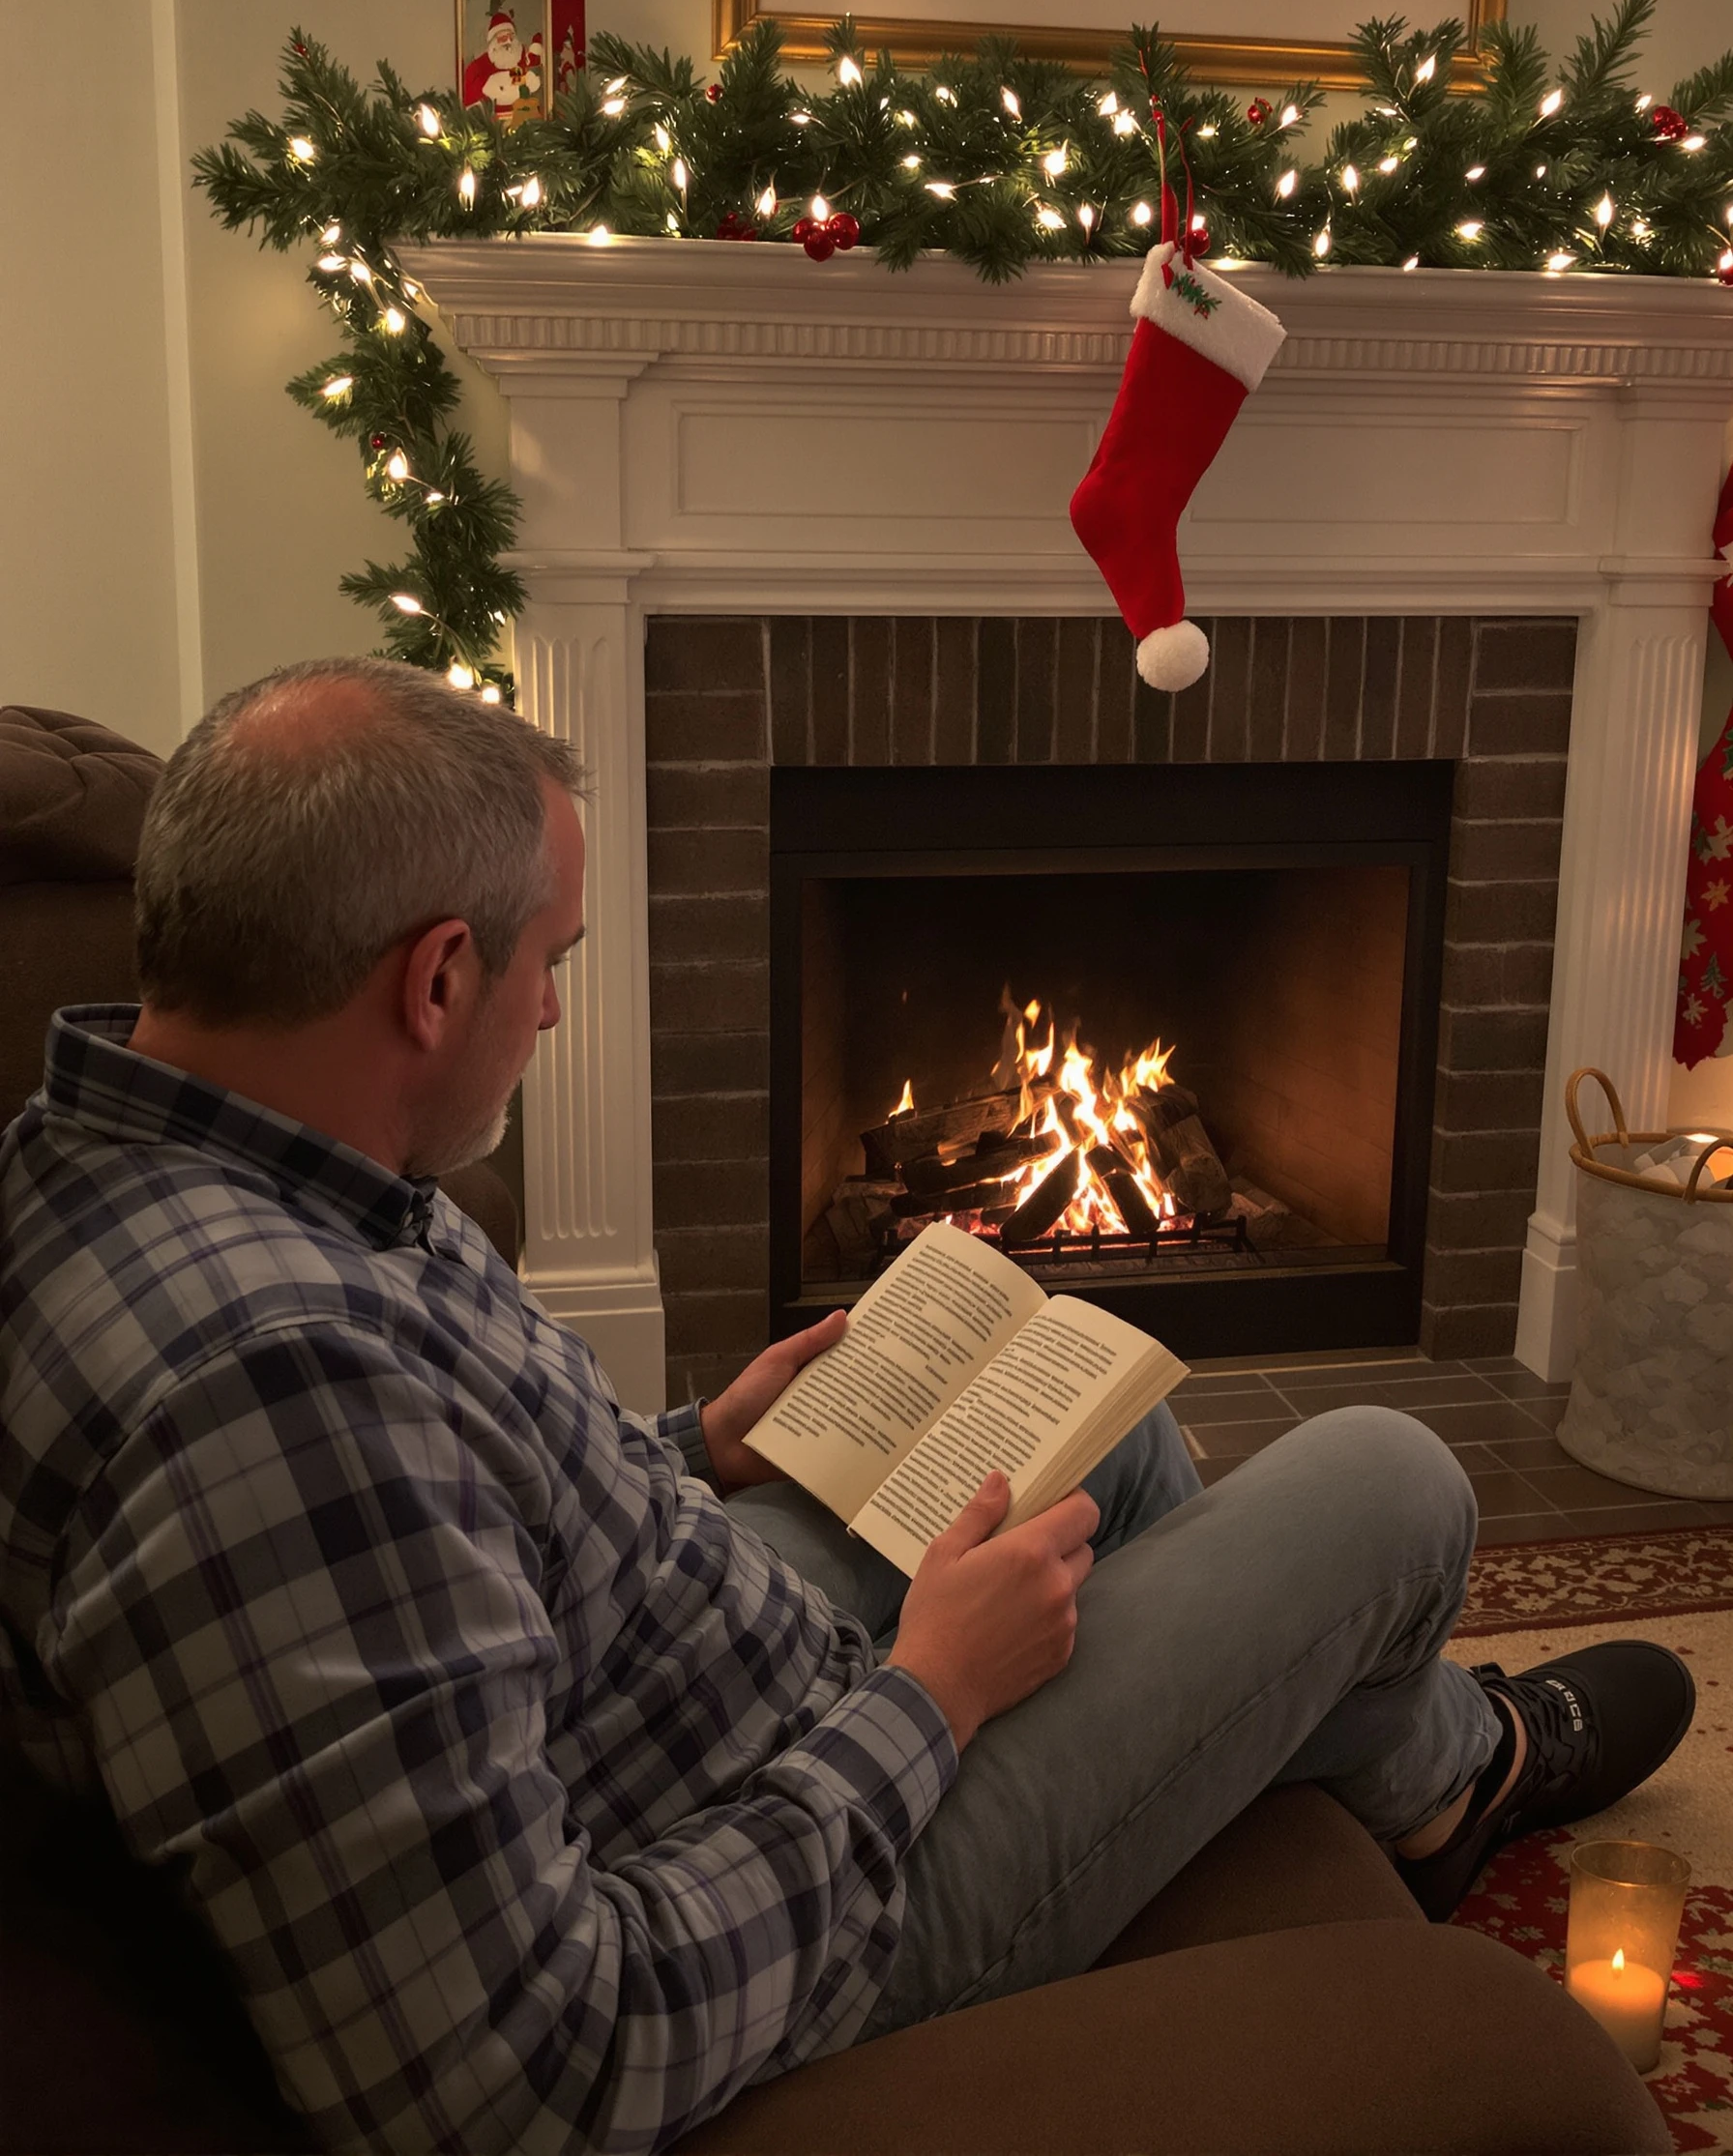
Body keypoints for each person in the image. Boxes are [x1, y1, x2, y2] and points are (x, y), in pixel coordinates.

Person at [0, 657, 1694, 2155]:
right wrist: (933, 1703)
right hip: (796, 1875)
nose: (556, 1009)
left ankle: (1418, 1783)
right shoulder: (270, 1397)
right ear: (436, 979)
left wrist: (691, 1448)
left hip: (674, 1675)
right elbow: (536, 2082)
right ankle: (1461, 1771)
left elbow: (446, 1539)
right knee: (1389, 1483)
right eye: (548, 964)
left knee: (1092, 1404)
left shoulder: (194, 1150)